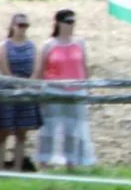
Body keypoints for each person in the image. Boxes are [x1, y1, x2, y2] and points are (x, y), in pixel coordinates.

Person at [37, 9, 96, 171]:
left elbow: (84, 67)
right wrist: (39, 92)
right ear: (59, 23)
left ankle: (71, 162)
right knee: (50, 126)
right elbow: (41, 71)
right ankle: (44, 161)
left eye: (73, 22)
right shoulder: (49, 45)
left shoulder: (80, 43)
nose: (71, 25)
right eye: (68, 21)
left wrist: (88, 88)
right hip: (54, 91)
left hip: (76, 91)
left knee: (73, 128)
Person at [0, 13, 43, 171]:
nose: (23, 28)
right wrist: (16, 87)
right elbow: (4, 70)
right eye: (20, 25)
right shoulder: (5, 46)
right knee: (5, 130)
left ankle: (17, 167)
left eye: (25, 25)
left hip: (27, 90)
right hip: (9, 90)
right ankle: (0, 166)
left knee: (22, 131)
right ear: (13, 26)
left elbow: (36, 68)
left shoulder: (31, 46)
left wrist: (29, 85)